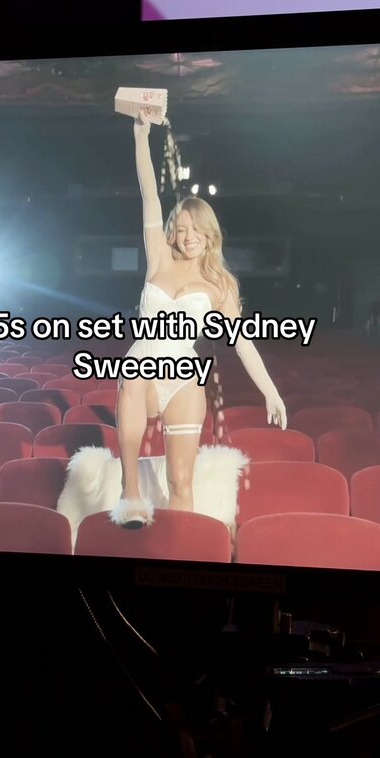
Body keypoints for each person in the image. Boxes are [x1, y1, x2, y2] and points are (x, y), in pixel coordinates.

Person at [111, 110, 287, 528]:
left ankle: (180, 547)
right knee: (133, 372)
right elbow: (149, 193)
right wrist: (141, 136)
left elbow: (243, 342)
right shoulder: (158, 256)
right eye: (182, 228)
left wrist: (271, 391)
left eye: (197, 230)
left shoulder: (220, 283)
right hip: (142, 368)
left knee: (181, 480)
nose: (189, 237)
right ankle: (130, 492)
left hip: (183, 378)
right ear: (173, 231)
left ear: (210, 235)